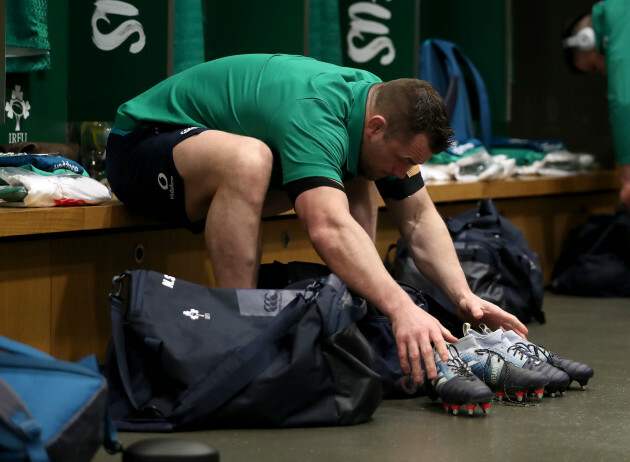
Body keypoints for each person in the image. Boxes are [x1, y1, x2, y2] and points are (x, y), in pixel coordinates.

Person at [106, 53, 527, 384]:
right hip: (142, 146)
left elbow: (418, 217)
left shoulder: (374, 114)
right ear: (378, 126)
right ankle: (239, 334)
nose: (404, 171)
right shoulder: (316, 114)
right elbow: (325, 226)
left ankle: (356, 313)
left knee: (362, 172)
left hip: (203, 157)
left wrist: (463, 297)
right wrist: (402, 307)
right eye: (404, 160)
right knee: (250, 160)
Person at [562, 0, 630, 208]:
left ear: (586, 40)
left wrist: (627, 177)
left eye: (594, 66)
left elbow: (624, 101)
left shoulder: (617, 20)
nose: (605, 71)